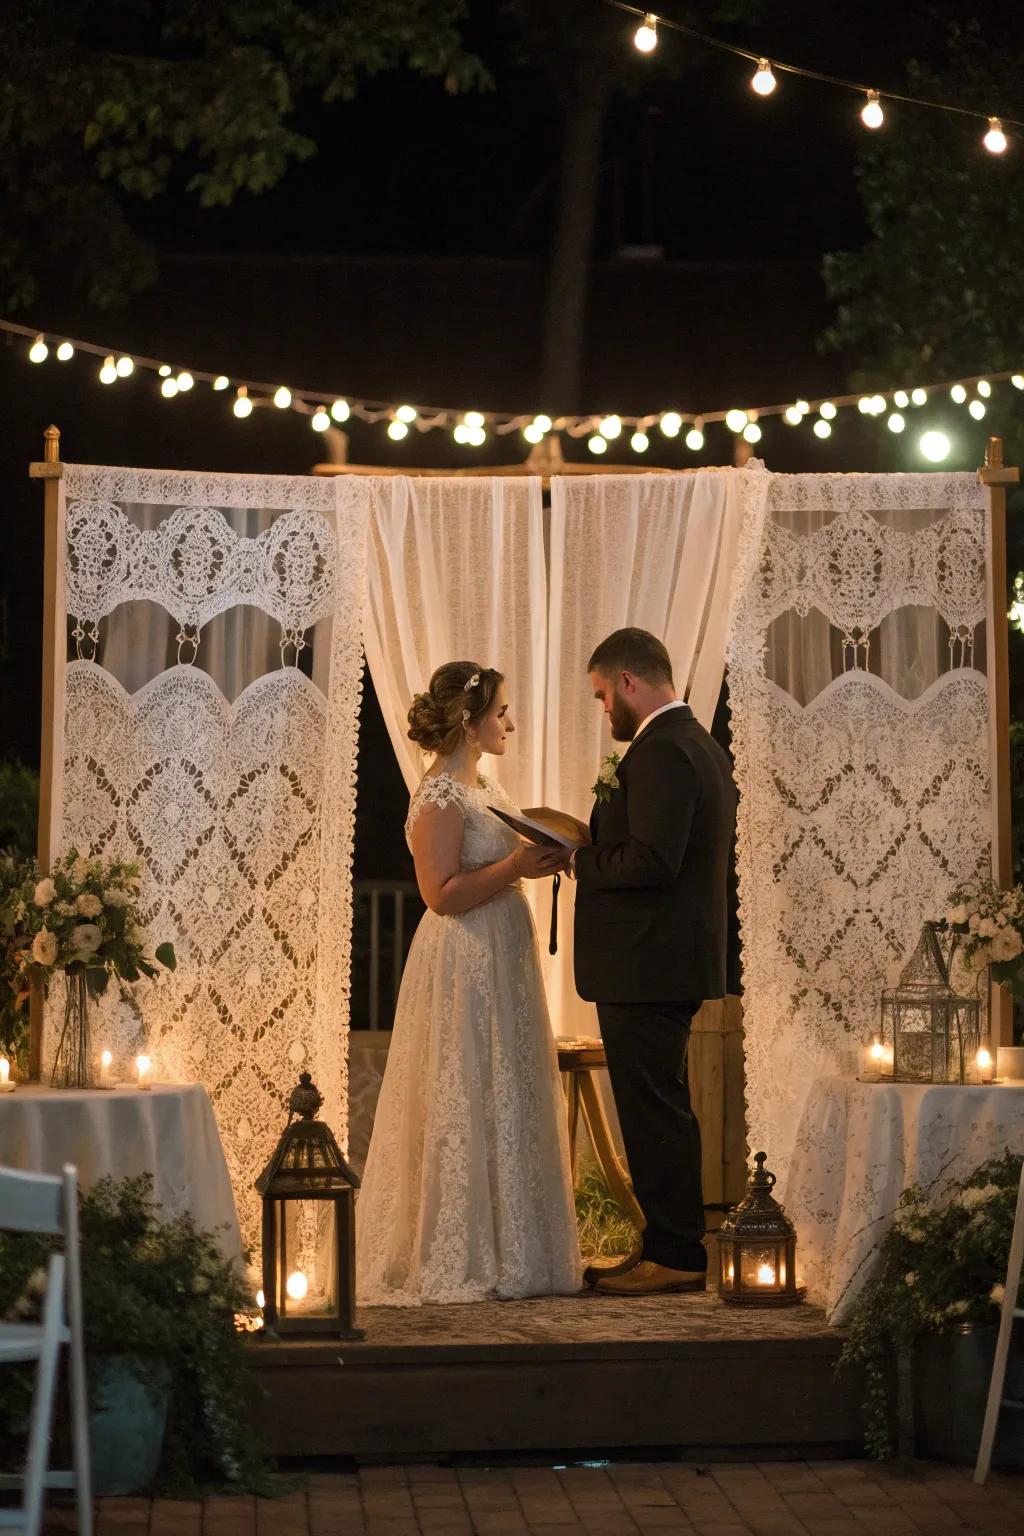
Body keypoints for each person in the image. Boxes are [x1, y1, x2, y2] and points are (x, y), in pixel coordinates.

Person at [356, 661, 582, 1305]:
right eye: (502, 712)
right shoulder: (438, 797)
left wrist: (541, 859)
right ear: (469, 719)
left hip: (502, 952)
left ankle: (518, 1243)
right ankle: (458, 1248)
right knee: (466, 1085)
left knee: (505, 1087)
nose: (511, 723)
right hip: (464, 958)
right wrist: (515, 863)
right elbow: (439, 894)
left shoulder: (482, 785)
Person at [570, 627, 738, 1296]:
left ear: (631, 684)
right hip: (661, 961)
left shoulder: (664, 751)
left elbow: (653, 861)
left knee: (655, 1110)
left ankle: (676, 1254)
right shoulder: (691, 742)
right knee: (658, 1104)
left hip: (648, 965)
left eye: (602, 694)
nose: (603, 707)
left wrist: (580, 858)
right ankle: (668, 1245)